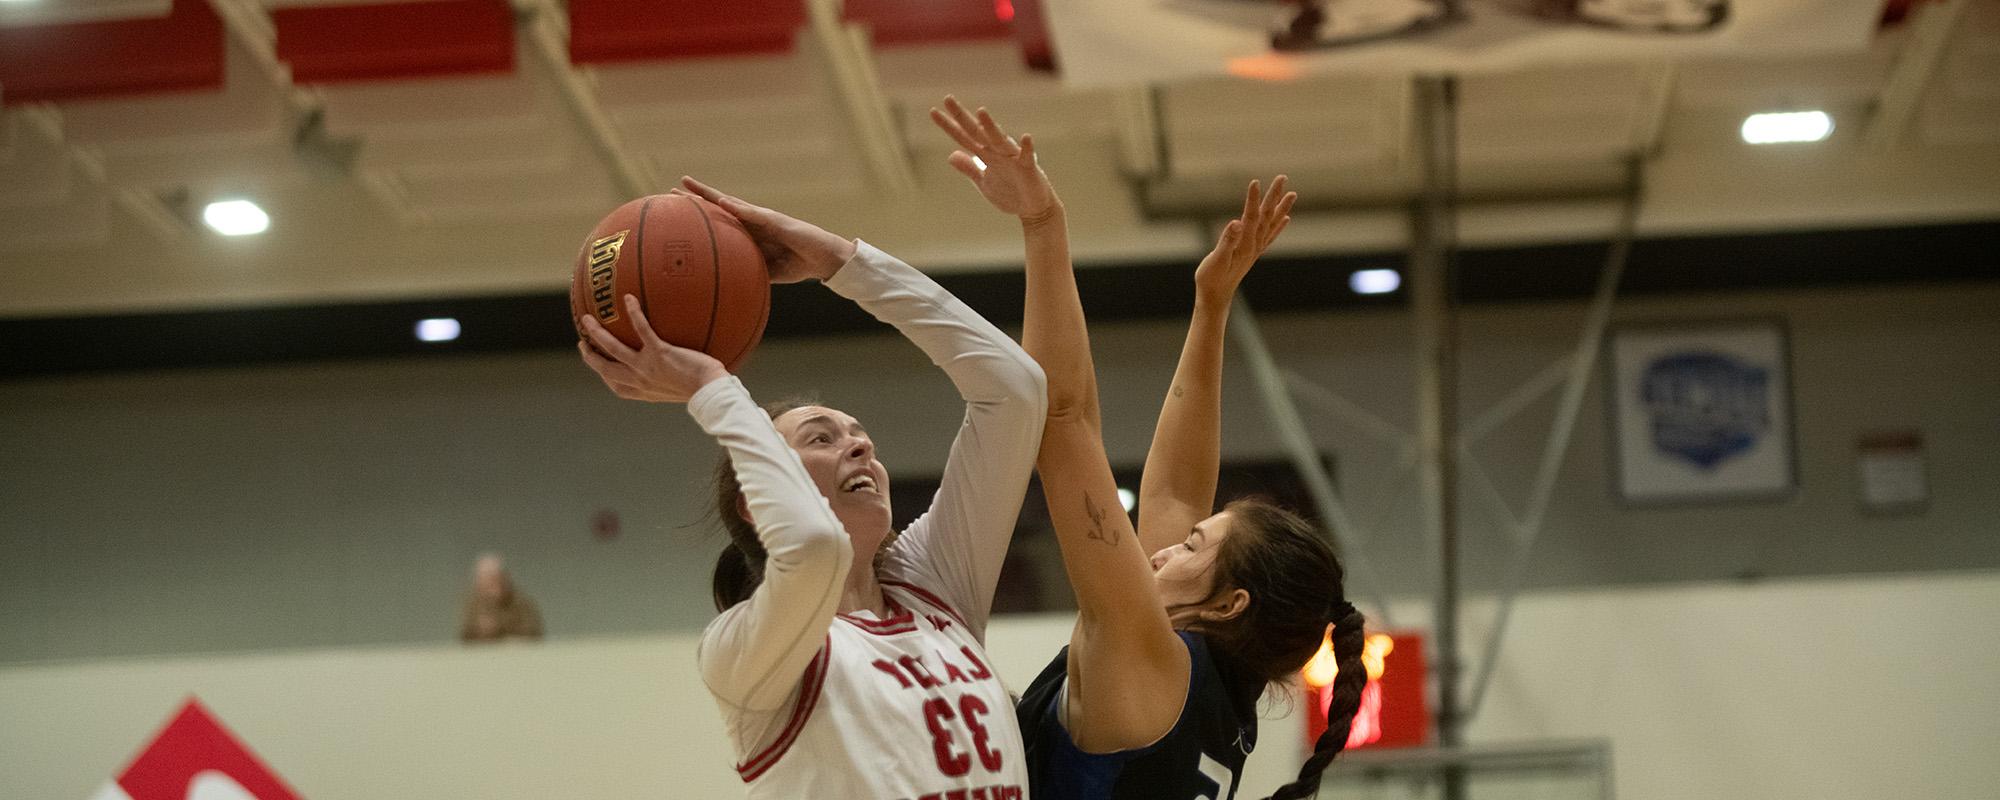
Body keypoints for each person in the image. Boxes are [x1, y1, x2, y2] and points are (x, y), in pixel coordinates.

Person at [930, 97, 1368, 800]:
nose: (1166, 547)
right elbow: (1172, 496)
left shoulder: (1148, 662)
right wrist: (1211, 305)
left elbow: (1063, 419)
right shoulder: (1219, 689)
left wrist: (1044, 224)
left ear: (1230, 604)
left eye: (1194, 546)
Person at [574, 169, 1046, 800]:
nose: (861, 445)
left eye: (858, 434)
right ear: (755, 501)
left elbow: (1014, 390)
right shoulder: (742, 648)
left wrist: (842, 262)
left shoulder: (933, 586)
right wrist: (715, 392)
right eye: (821, 438)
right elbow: (813, 548)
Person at [460, 553, 544, 642]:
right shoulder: (473, 605)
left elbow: (534, 633)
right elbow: (465, 636)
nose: (492, 586)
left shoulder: (521, 602)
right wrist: (481, 631)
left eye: (495, 579)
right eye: (486, 580)